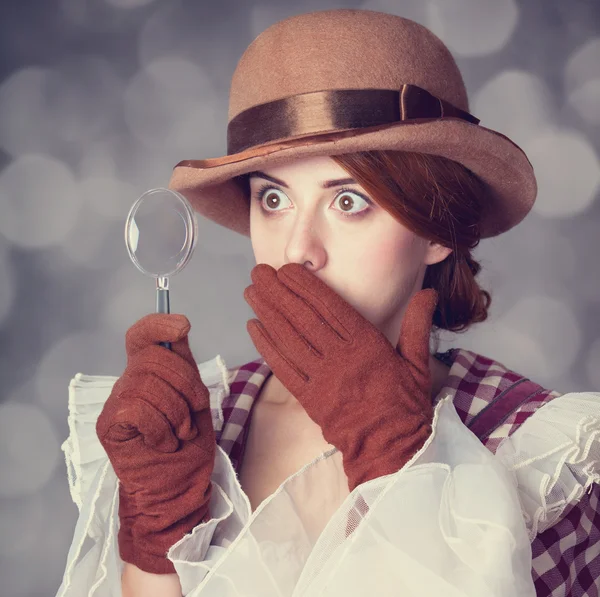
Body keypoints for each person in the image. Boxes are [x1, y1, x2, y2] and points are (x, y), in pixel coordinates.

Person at [55, 9, 600, 597]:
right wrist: (157, 543)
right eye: (273, 198)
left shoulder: (536, 450)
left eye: (348, 201)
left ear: (440, 228)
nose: (298, 249)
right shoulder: (199, 425)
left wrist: (403, 469)